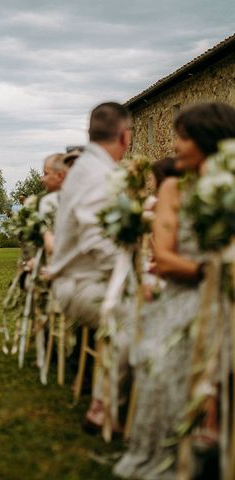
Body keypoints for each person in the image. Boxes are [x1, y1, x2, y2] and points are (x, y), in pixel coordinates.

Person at [114, 102, 235, 479]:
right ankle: (196, 436)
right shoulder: (172, 191)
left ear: (208, 141)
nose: (176, 147)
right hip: (186, 297)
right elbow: (163, 260)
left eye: (183, 138)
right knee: (169, 355)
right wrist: (213, 271)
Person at [48, 102, 135, 432]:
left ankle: (109, 400)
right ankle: (106, 406)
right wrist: (131, 278)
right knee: (138, 321)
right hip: (82, 284)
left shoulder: (88, 168)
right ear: (125, 137)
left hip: (83, 279)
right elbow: (95, 239)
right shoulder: (98, 174)